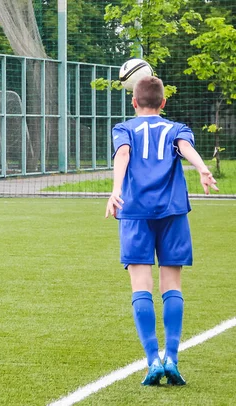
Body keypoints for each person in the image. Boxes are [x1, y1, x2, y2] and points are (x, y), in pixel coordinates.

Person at [105, 76, 218, 386]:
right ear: (163, 104)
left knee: (141, 283)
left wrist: (116, 190)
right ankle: (172, 357)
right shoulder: (176, 128)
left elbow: (123, 154)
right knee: (172, 283)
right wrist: (202, 167)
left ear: (134, 102)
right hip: (172, 212)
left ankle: (153, 360)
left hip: (135, 212)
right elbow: (185, 148)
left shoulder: (124, 128)